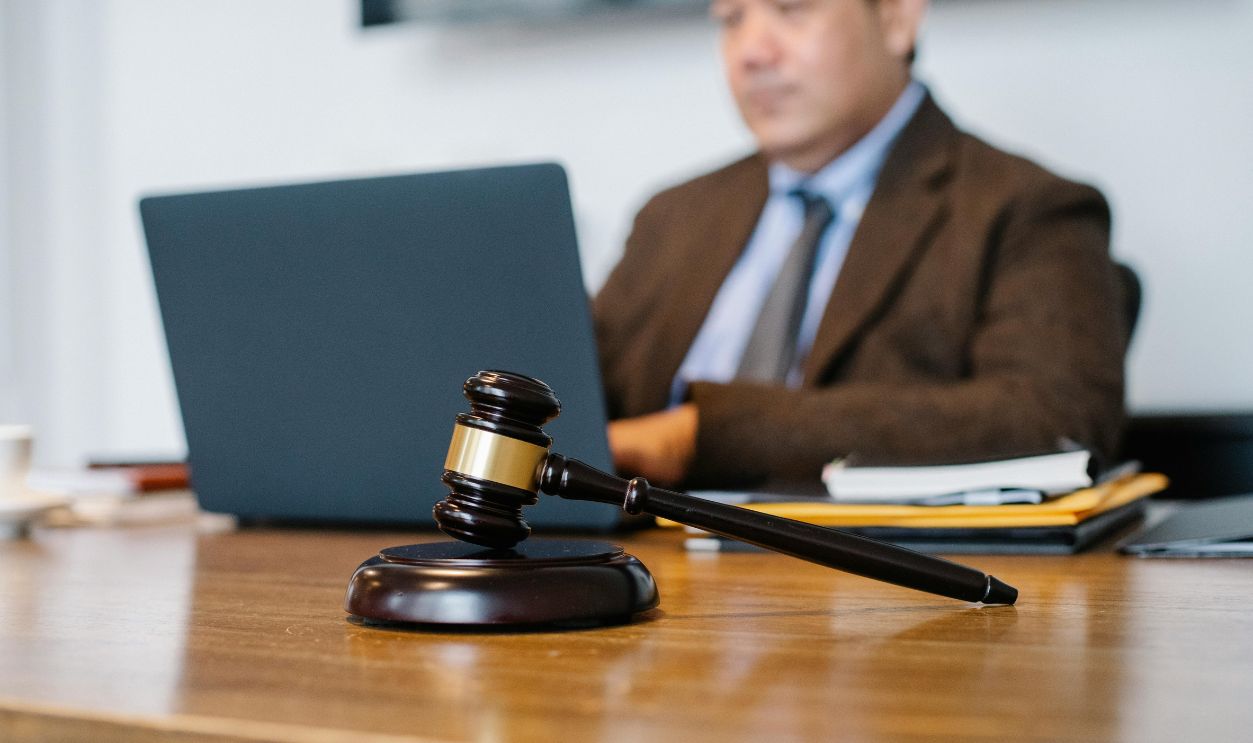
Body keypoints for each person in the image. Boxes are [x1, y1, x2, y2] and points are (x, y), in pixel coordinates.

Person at [593, 0, 1127, 490]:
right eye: (732, 19)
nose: (752, 52)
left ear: (896, 19)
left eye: (792, 9)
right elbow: (566, 393)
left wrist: (698, 436)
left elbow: (1054, 418)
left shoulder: (1025, 209)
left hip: (871, 585)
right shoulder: (673, 216)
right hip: (636, 572)